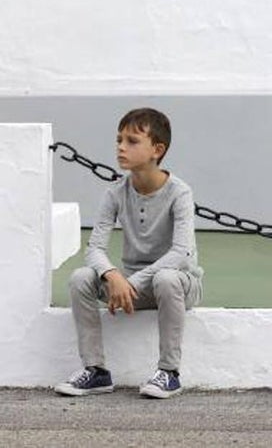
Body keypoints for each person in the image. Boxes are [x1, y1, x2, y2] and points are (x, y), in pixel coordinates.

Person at [54, 108, 204, 399]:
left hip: (178, 284)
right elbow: (95, 248)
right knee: (81, 278)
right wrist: (111, 275)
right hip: (131, 286)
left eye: (132, 141)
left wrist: (130, 283)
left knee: (166, 278)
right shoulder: (115, 192)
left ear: (157, 150)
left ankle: (169, 373)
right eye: (119, 139)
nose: (121, 147)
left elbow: (181, 254)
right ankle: (96, 371)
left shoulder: (180, 193)